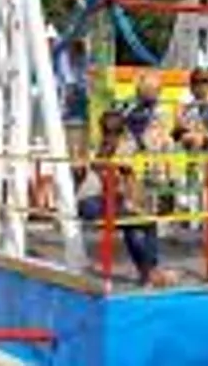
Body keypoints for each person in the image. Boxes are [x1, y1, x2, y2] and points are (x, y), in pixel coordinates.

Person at [75, 110, 173, 287]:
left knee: (130, 226)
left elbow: (85, 174)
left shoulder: (96, 146)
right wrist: (135, 205)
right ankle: (152, 271)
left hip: (86, 203)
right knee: (148, 223)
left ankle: (147, 274)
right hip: (100, 202)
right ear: (123, 131)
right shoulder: (121, 150)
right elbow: (128, 181)